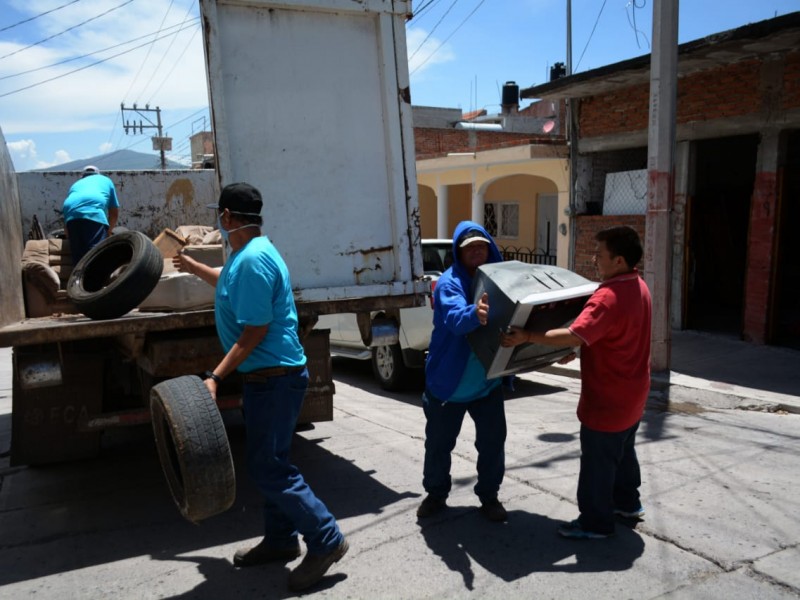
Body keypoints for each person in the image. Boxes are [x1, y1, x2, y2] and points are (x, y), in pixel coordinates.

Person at [172, 182, 348, 592]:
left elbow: (255, 330)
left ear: (228, 218)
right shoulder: (246, 256)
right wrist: (195, 267)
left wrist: (215, 377)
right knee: (273, 462)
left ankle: (326, 539)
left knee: (268, 468)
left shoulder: (252, 261)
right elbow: (228, 282)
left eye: (221, 215)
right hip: (271, 378)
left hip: (273, 378)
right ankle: (281, 539)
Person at [501, 225, 652, 539]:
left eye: (600, 255)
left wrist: (527, 336)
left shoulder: (608, 296)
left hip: (607, 400)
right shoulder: (638, 285)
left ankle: (596, 523)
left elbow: (575, 332)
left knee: (598, 463)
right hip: (633, 395)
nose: (595, 260)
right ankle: (628, 504)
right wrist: (580, 347)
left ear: (619, 260)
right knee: (623, 454)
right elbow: (608, 335)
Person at [417, 220, 509, 522]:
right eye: (469, 248)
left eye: (481, 246)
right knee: (440, 444)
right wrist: (476, 312)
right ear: (459, 252)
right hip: (449, 384)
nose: (477, 252)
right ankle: (436, 493)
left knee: (493, 442)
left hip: (487, 383)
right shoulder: (449, 282)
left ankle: (489, 496)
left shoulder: (503, 279)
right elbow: (456, 319)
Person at [62, 165, 120, 264]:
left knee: (79, 259)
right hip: (93, 213)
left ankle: (78, 278)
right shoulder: (106, 180)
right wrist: (108, 232)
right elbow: (114, 212)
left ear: (83, 176)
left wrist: (69, 233)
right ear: (98, 174)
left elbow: (69, 211)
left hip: (71, 216)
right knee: (96, 256)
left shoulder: (76, 184)